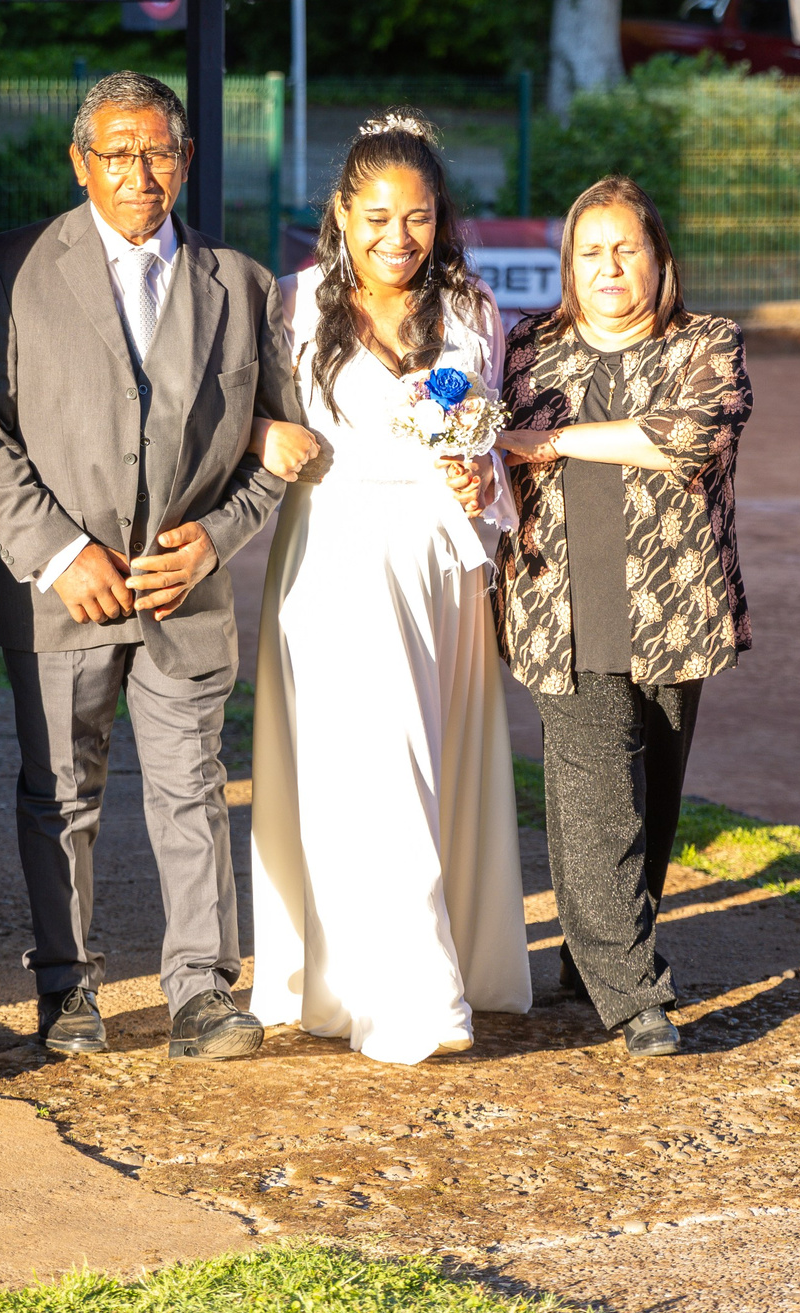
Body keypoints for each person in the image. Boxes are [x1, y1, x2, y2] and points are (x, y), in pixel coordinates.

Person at [0, 70, 299, 1062]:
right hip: (64, 589)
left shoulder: (240, 285)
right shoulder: (8, 266)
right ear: (79, 162)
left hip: (185, 593)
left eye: (158, 152)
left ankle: (199, 991)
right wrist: (57, 553)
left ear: (185, 160)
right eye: (118, 152)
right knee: (61, 789)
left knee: (192, 783)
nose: (140, 172)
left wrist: (216, 539)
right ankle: (67, 989)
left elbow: (281, 445)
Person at [245, 111, 532, 1066]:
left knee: (431, 761)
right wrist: (259, 438)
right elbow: (222, 418)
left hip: (442, 567)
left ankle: (371, 977)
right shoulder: (288, 307)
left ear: (439, 218)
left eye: (415, 217)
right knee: (372, 767)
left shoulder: (474, 313)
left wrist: (480, 476)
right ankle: (409, 1002)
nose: (395, 238)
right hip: (334, 555)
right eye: (375, 216)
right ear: (339, 212)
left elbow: (487, 448)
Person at [488, 175, 753, 1059]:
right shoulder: (528, 349)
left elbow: (691, 436)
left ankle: (591, 953)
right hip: (559, 606)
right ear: (569, 264)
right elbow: (488, 451)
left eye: (625, 249)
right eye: (589, 252)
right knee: (598, 790)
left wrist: (555, 442)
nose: (608, 268)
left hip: (672, 611)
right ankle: (636, 993)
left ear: (659, 258)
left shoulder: (707, 345)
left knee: (652, 800)